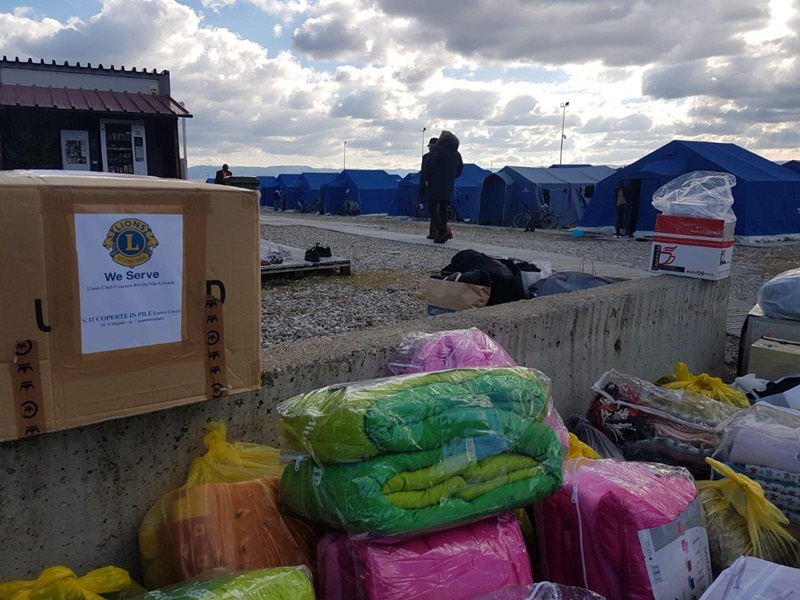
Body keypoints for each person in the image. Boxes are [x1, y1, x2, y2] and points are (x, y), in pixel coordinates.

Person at [422, 130, 463, 244]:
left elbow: (430, 165)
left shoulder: (436, 149)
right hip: (448, 185)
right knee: (443, 210)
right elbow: (459, 171)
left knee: (432, 208)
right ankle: (441, 235)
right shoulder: (456, 154)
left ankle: (442, 231)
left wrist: (427, 178)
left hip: (435, 183)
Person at [420, 137, 451, 240]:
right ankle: (440, 231)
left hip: (434, 186)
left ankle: (440, 231)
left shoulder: (429, 157)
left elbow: (425, 173)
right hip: (441, 187)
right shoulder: (444, 157)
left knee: (435, 210)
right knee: (439, 211)